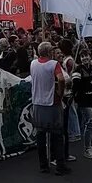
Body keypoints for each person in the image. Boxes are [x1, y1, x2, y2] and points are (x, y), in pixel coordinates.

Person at [29, 41, 69, 176]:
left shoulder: (33, 64)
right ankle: (60, 165)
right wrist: (60, 92)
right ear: (48, 52)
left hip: (37, 103)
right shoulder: (54, 64)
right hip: (52, 102)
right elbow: (61, 79)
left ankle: (43, 165)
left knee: (40, 135)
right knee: (57, 135)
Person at [73, 53, 92, 160]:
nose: (85, 58)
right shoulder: (78, 70)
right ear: (80, 59)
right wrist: (89, 83)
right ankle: (87, 148)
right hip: (84, 100)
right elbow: (76, 85)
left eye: (86, 56)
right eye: (83, 56)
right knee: (90, 122)